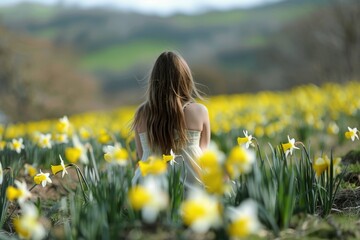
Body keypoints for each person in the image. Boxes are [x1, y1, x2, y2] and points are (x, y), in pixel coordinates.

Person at [131, 51, 210, 188]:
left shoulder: (141, 114)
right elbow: (204, 153)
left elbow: (141, 155)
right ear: (185, 79)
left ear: (154, 81)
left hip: (149, 189)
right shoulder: (199, 111)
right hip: (192, 189)